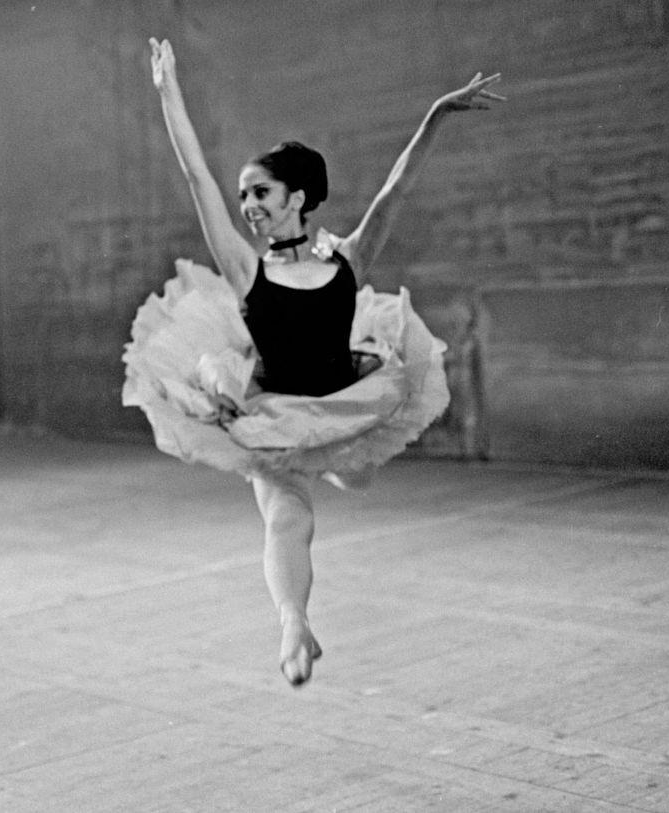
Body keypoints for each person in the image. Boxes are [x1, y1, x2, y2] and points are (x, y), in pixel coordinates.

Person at [124, 37, 504, 686]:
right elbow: (196, 176)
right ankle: (293, 622)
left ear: (297, 197)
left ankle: (336, 473)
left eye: (260, 192)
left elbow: (396, 188)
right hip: (271, 413)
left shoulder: (348, 260)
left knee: (353, 475)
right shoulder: (245, 269)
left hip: (346, 400)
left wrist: (436, 115)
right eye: (244, 196)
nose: (247, 206)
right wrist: (168, 93)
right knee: (286, 515)